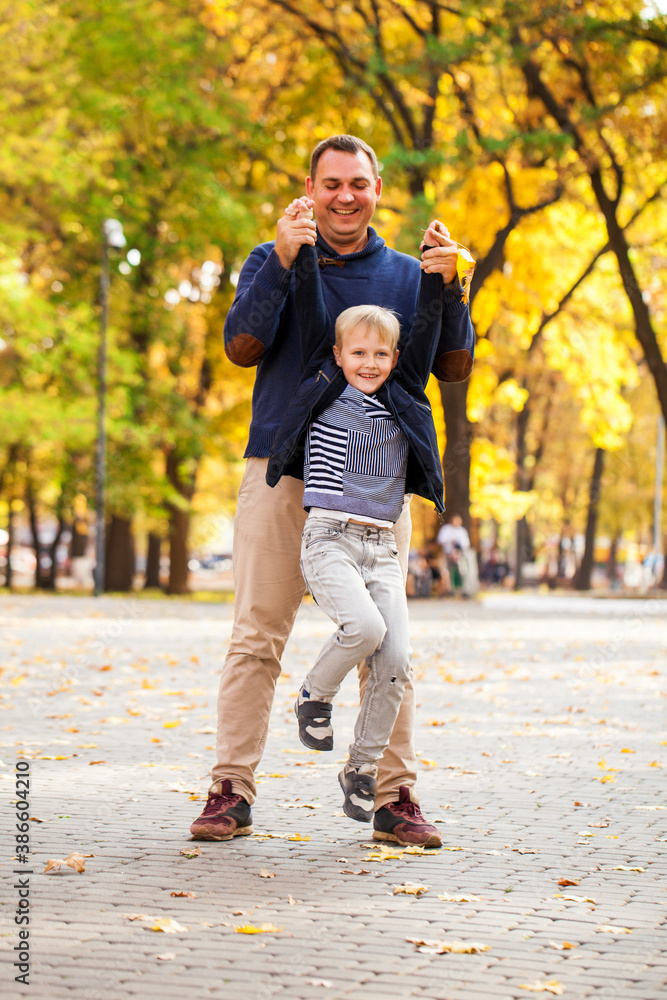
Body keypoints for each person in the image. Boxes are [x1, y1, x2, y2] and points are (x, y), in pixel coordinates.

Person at [190, 134, 475, 846]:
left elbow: (452, 367)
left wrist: (451, 288)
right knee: (256, 635)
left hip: (378, 486)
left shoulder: (411, 274)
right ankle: (230, 788)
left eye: (358, 183)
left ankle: (393, 796)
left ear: (376, 190)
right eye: (331, 184)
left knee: (388, 647)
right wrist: (285, 259)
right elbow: (241, 346)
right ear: (309, 190)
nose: (345, 196)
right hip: (282, 471)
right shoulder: (272, 257)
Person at [266, 219, 446, 822]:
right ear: (339, 355)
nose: (368, 363)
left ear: (394, 359)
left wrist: (438, 280)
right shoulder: (325, 386)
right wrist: (307, 252)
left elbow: (424, 330)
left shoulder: (404, 394)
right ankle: (314, 695)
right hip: (330, 542)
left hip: (382, 549)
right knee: (364, 631)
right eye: (358, 353)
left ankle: (362, 769)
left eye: (380, 354)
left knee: (396, 660)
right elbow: (314, 309)